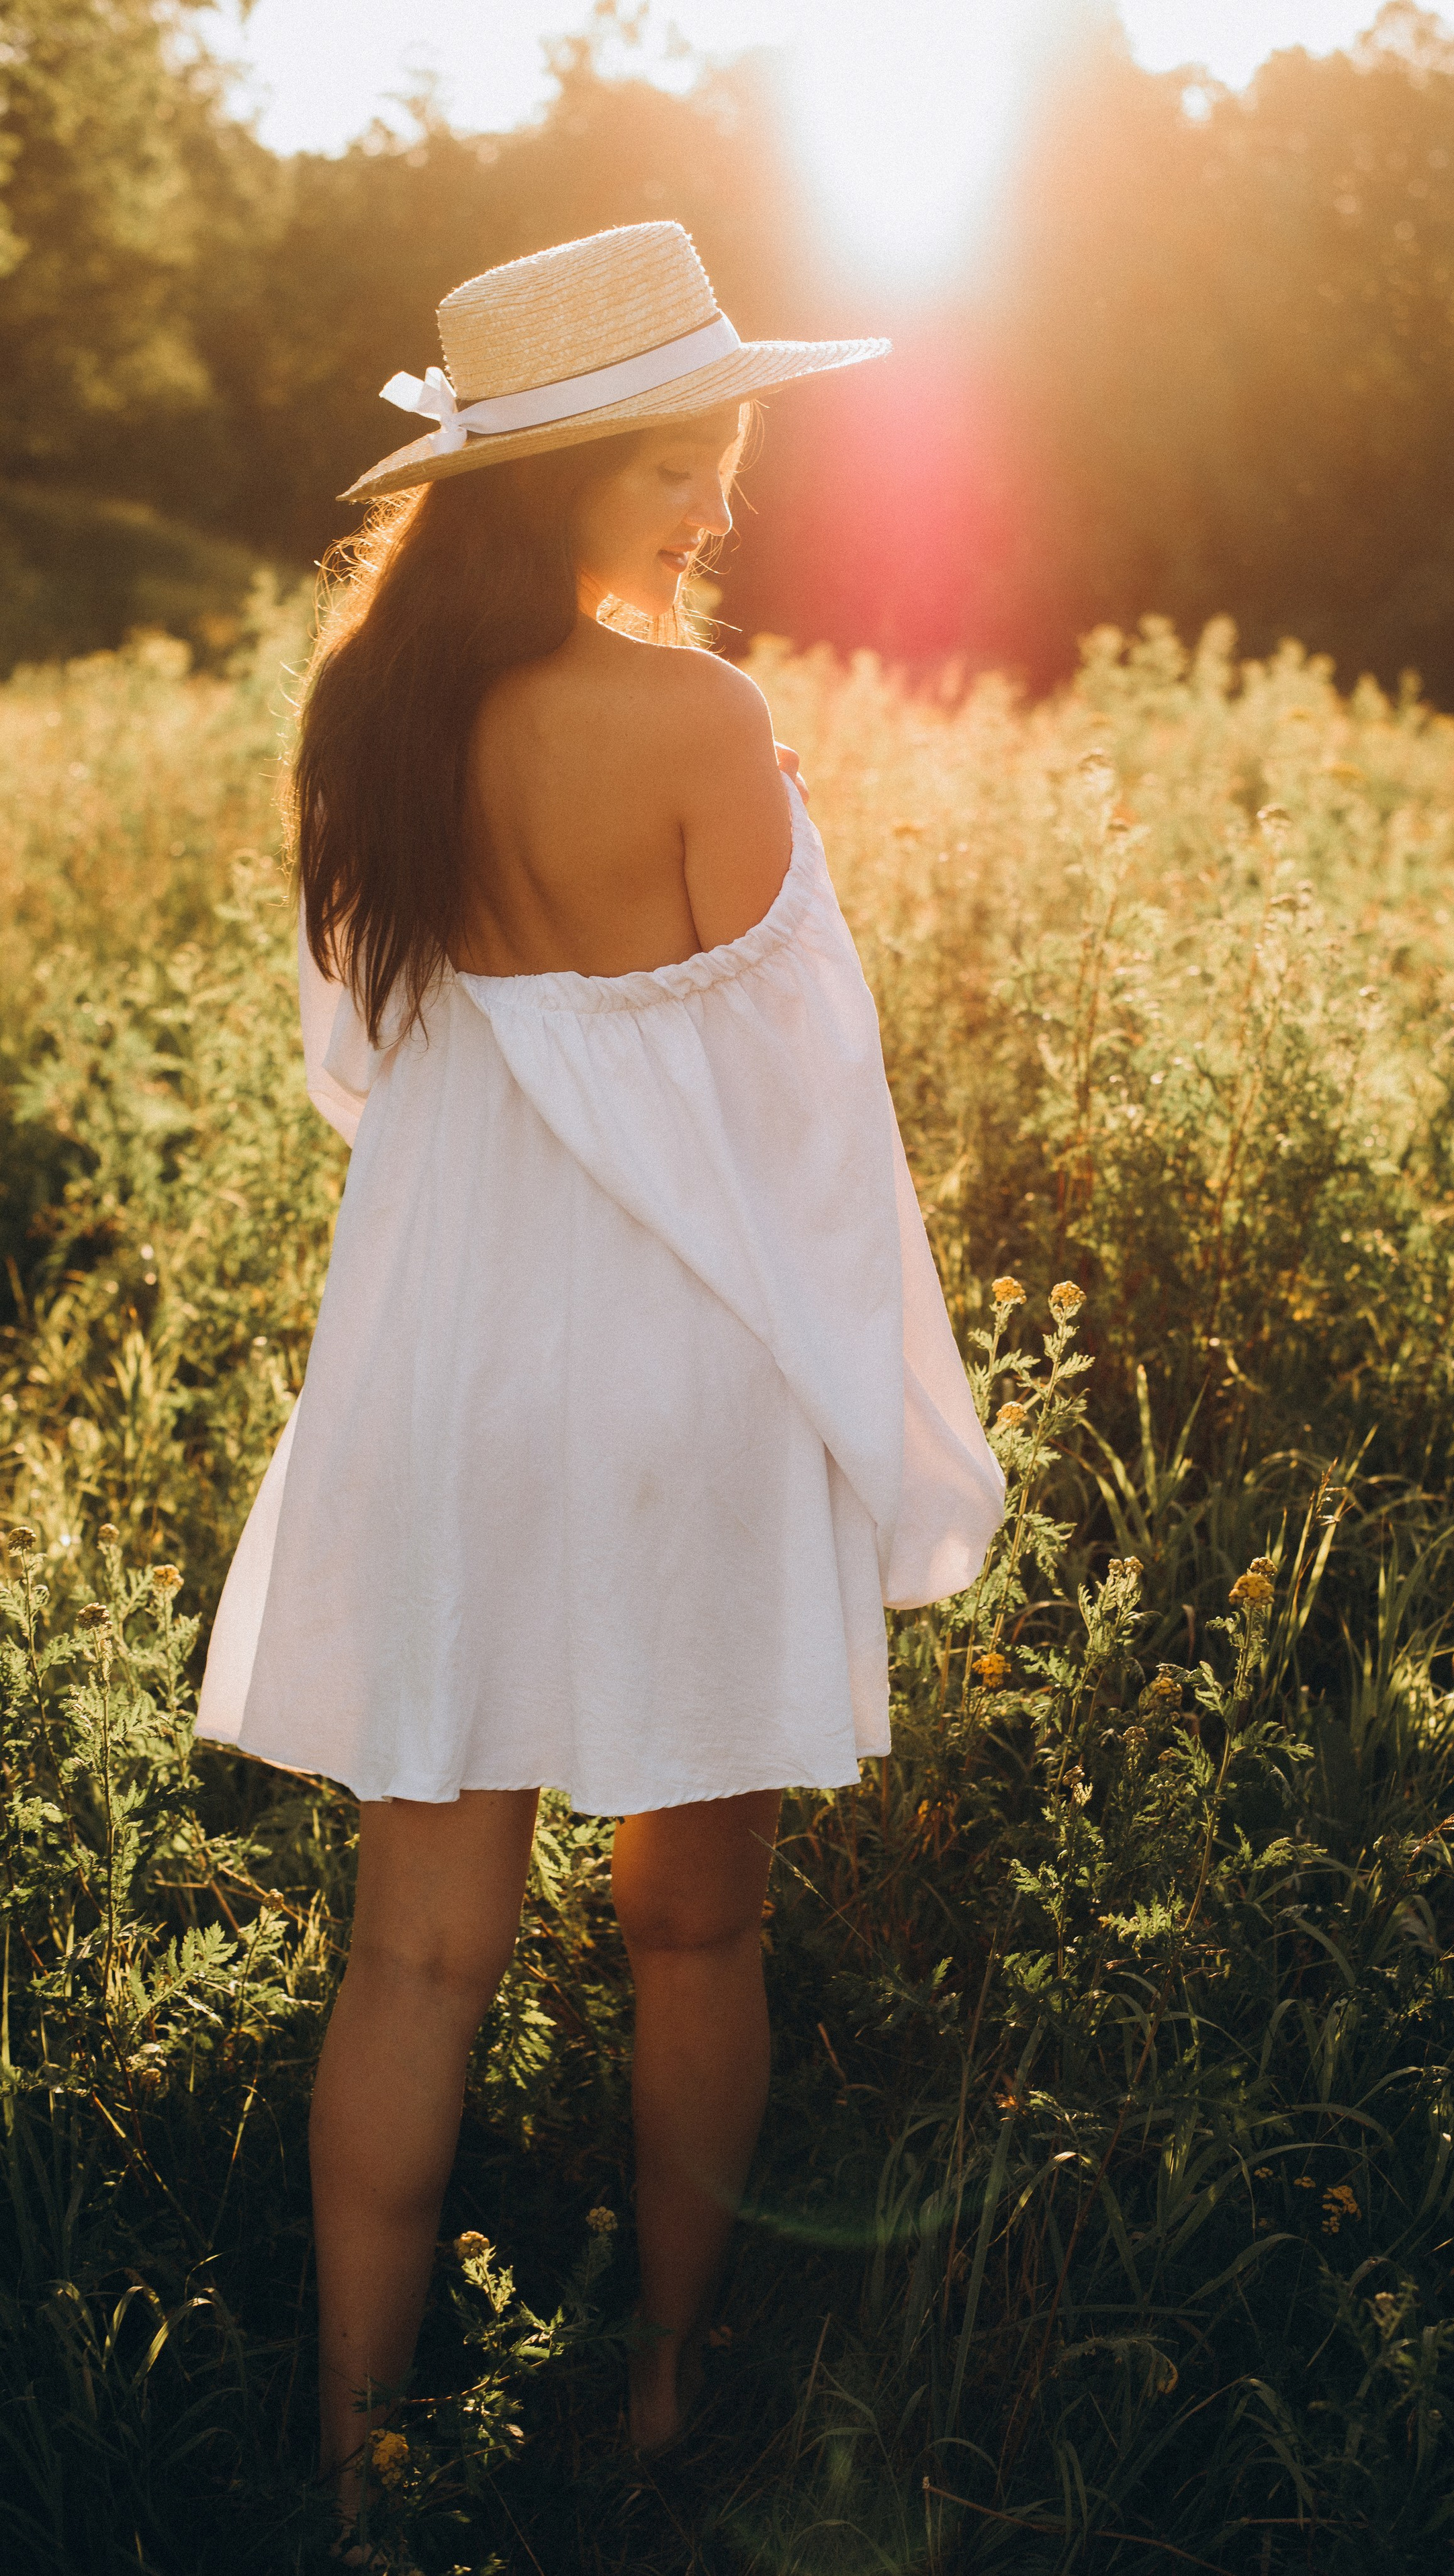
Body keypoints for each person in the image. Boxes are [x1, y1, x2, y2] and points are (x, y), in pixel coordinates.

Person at [195, 220, 1004, 2520]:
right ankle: (660, 2402)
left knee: (415, 1951)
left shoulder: (371, 717)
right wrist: (885, 1413)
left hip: (447, 1359)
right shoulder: (703, 721)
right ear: (562, 480)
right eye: (687, 467)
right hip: (678, 1371)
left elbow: (361, 1063)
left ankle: (350, 2463)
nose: (721, 513)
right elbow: (802, 1118)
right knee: (695, 1922)